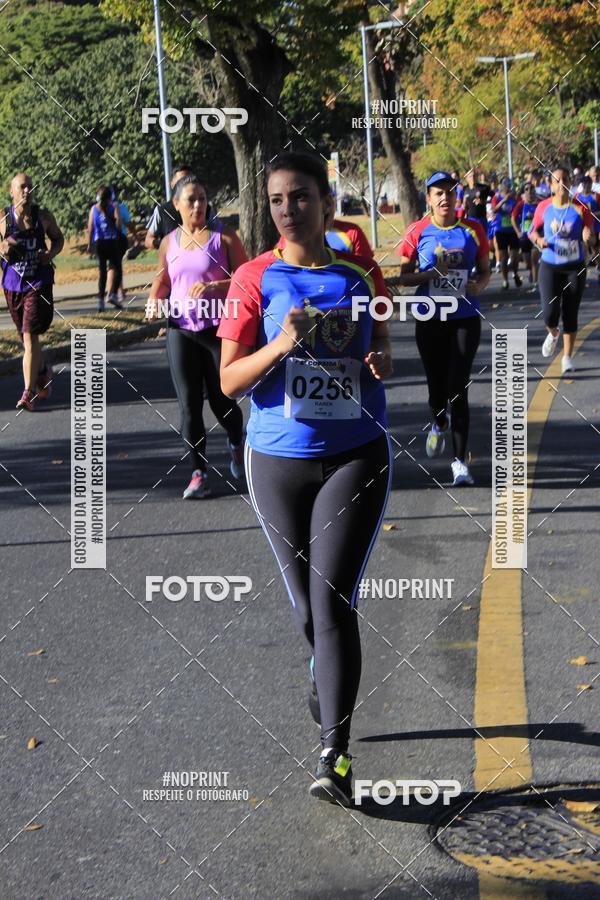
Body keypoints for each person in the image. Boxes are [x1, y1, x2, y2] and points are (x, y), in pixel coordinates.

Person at [218, 151, 393, 807]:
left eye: (300, 197)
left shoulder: (357, 271)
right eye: (276, 200)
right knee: (304, 611)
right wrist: (280, 346)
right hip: (276, 461)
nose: (287, 209)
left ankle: (335, 755)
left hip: (355, 455)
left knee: (332, 601)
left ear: (325, 201)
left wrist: (379, 354)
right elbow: (230, 379)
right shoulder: (252, 278)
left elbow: (382, 346)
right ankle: (325, 680)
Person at [147, 175, 247, 497]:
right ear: (176, 205)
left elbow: (247, 282)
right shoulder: (169, 243)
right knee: (189, 405)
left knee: (222, 401)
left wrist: (215, 286)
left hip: (219, 330)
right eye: (191, 199)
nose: (198, 205)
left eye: (202, 198)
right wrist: (153, 299)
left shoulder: (225, 237)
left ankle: (235, 441)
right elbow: (163, 281)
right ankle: (198, 472)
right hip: (181, 330)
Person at [397, 170, 490, 486]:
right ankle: (438, 421)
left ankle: (460, 463)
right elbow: (403, 278)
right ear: (429, 199)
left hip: (464, 318)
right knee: (437, 389)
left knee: (459, 388)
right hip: (430, 319)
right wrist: (430, 274)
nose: (445, 198)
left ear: (457, 197)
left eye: (450, 192)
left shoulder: (473, 229)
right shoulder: (417, 231)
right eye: (438, 193)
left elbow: (486, 270)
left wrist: (480, 284)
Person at [0, 172, 64, 411]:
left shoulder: (43, 217)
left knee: (29, 335)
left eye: (29, 186)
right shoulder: (4, 218)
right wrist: (3, 246)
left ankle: (27, 393)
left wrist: (50, 254)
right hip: (12, 286)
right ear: (11, 191)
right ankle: (42, 369)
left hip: (38, 284)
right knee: (25, 337)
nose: (26, 191)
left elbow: (58, 239)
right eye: (22, 187)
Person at [528, 167, 595, 374]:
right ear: (551, 185)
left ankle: (567, 357)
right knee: (550, 313)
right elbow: (532, 231)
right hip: (549, 265)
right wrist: (539, 240)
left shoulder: (581, 208)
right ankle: (553, 332)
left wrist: (588, 236)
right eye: (557, 180)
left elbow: (591, 237)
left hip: (574, 267)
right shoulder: (543, 207)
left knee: (570, 312)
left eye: (565, 180)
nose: (561, 183)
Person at [86, 186, 123, 311]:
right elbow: (118, 226)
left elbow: (90, 228)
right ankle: (112, 294)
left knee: (102, 272)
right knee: (117, 269)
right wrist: (115, 212)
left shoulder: (93, 209)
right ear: (109, 198)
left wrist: (89, 244)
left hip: (99, 243)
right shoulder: (113, 207)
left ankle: (100, 301)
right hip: (112, 241)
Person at [144, 164, 192, 250]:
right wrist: (164, 244)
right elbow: (148, 240)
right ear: (172, 184)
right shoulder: (162, 210)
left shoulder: (205, 208)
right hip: (171, 262)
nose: (185, 184)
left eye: (189, 180)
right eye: (181, 181)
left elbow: (217, 235)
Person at [491, 178, 521, 290]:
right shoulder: (497, 197)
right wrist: (504, 200)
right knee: (504, 257)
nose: (508, 187)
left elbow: (520, 208)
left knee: (514, 256)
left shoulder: (515, 197)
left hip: (513, 230)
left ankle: (515, 274)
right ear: (501, 186)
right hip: (501, 230)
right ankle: (505, 280)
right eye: (506, 185)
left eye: (509, 185)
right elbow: (494, 210)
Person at [512, 183, 540, 292]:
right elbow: (513, 218)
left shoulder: (539, 205)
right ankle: (531, 273)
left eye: (532, 189)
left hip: (535, 235)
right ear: (524, 192)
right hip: (524, 237)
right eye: (527, 189)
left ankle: (535, 283)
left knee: (534, 259)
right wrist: (518, 231)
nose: (530, 191)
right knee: (528, 262)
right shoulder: (520, 205)